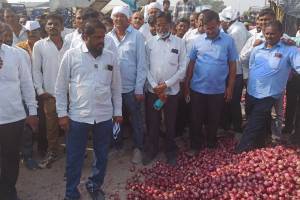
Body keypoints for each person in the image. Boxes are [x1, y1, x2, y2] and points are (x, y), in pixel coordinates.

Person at [55, 19, 122, 200]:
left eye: (103, 37)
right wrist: (62, 114)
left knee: (102, 156)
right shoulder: (71, 56)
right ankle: (71, 193)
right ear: (85, 37)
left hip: (104, 116)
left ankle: (94, 185)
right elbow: (60, 88)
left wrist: (118, 112)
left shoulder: (110, 57)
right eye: (97, 37)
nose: (102, 41)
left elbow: (116, 87)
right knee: (74, 158)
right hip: (78, 117)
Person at [236, 21, 300, 153]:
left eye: (273, 34)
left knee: (254, 122)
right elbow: (250, 64)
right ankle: (259, 144)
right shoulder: (257, 48)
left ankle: (242, 149)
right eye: (267, 34)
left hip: (269, 93)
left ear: (281, 34)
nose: (269, 36)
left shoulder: (290, 50)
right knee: (253, 118)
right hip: (252, 91)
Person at [184, 10, 238, 151]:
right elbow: (191, 63)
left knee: (213, 120)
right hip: (197, 89)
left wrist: (230, 87)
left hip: (218, 90)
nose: (209, 31)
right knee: (195, 119)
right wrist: (186, 84)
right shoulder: (198, 41)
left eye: (213, 28)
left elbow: (232, 65)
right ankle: (195, 145)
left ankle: (211, 143)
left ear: (219, 24)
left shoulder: (228, 41)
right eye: (207, 28)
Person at [0, 21, 38, 200]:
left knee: (10, 157)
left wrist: (32, 112)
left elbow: (27, 85)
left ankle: (8, 189)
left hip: (13, 117)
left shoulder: (18, 54)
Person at [143, 12, 187, 165]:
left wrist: (166, 85)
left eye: (163, 24)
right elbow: (145, 67)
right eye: (157, 25)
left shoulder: (179, 43)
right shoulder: (149, 43)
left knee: (170, 122)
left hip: (172, 91)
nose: (160, 27)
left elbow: (182, 68)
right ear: (154, 26)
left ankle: (170, 150)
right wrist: (156, 86)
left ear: (170, 24)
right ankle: (152, 149)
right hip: (153, 91)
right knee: (153, 122)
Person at [108, 6, 147, 164]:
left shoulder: (137, 36)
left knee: (136, 118)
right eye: (116, 16)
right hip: (112, 88)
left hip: (131, 88)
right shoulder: (107, 37)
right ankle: (117, 146)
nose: (118, 19)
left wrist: (139, 88)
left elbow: (141, 64)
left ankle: (138, 147)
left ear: (128, 19)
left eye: (122, 16)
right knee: (116, 119)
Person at [32, 13, 70, 169]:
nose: (52, 26)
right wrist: (40, 91)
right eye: (49, 24)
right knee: (51, 127)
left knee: (71, 124)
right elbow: (36, 70)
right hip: (50, 94)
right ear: (45, 27)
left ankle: (73, 149)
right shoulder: (39, 45)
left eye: (56, 24)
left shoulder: (70, 44)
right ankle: (53, 152)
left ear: (62, 26)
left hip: (70, 93)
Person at [219, 7, 250, 133]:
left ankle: (236, 127)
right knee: (232, 100)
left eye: (221, 21)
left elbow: (231, 54)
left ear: (227, 21)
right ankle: (231, 124)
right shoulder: (239, 27)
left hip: (235, 71)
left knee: (232, 100)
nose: (221, 24)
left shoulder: (235, 31)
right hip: (238, 70)